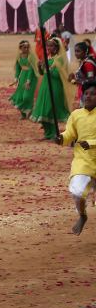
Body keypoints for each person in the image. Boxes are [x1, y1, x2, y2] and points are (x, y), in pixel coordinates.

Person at [60, 81, 96, 234]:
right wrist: (61, 138)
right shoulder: (76, 115)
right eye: (86, 93)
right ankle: (82, 215)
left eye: (93, 94)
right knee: (77, 192)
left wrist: (92, 143)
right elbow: (69, 135)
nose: (88, 96)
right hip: (83, 160)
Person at [32, 37, 72, 141]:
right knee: (43, 109)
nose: (48, 47)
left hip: (55, 87)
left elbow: (59, 75)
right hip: (45, 86)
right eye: (48, 45)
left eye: (51, 45)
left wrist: (47, 68)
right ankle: (47, 133)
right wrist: (40, 66)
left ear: (57, 47)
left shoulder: (60, 59)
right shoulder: (47, 58)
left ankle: (54, 133)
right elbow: (42, 73)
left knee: (51, 109)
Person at [10, 40, 40, 119]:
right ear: (20, 48)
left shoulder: (31, 57)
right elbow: (17, 68)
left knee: (27, 96)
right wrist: (16, 78)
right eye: (24, 47)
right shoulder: (19, 56)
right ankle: (23, 113)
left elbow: (31, 69)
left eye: (27, 47)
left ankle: (30, 111)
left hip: (31, 78)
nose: (26, 49)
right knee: (20, 96)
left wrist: (28, 81)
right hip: (23, 77)